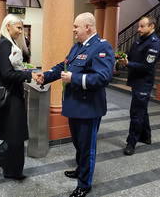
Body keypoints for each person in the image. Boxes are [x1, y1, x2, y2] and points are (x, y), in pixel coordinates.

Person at [37, 12, 115, 197]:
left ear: (87, 27)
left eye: (75, 27)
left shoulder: (102, 47)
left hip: (89, 108)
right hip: (74, 105)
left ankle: (84, 184)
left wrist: (75, 78)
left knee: (87, 147)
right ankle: (81, 170)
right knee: (79, 144)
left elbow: (103, 77)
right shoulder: (77, 47)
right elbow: (62, 66)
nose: (73, 30)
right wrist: (45, 76)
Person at [0, 14, 39, 180]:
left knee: (18, 134)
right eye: (18, 28)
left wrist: (26, 72)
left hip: (15, 94)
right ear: (8, 26)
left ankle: (13, 171)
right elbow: (8, 75)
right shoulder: (4, 44)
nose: (20, 32)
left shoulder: (10, 43)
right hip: (9, 98)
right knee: (15, 136)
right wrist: (29, 75)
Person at [118, 16, 160, 155]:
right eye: (139, 26)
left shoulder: (154, 44)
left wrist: (128, 64)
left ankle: (131, 143)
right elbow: (131, 55)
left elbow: (147, 66)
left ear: (152, 27)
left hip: (144, 82)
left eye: (142, 26)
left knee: (136, 112)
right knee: (142, 109)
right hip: (136, 80)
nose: (139, 29)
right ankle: (146, 136)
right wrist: (123, 57)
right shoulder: (139, 40)